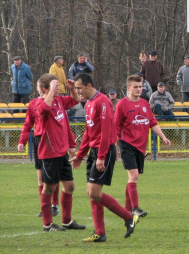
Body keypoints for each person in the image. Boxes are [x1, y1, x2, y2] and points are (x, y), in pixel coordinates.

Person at [70, 73, 139, 243]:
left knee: (94, 192)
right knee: (92, 193)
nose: (77, 91)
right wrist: (80, 155)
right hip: (94, 151)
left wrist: (101, 156)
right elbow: (88, 131)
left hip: (105, 151)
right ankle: (100, 233)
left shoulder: (103, 101)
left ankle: (128, 217)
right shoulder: (88, 104)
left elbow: (107, 131)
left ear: (89, 85)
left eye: (79, 88)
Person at [115, 75, 171, 219]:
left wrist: (163, 137)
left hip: (141, 146)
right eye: (135, 87)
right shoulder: (122, 104)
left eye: (140, 87)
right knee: (133, 176)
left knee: (133, 177)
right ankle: (135, 208)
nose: (138, 89)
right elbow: (116, 127)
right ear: (129, 88)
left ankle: (127, 209)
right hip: (126, 144)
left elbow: (152, 123)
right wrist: (114, 147)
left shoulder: (145, 104)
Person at [35, 74, 86, 232]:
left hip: (62, 152)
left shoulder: (59, 101)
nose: (59, 89)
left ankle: (66, 221)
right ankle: (47, 224)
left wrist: (72, 89)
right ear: (46, 89)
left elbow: (76, 100)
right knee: (49, 188)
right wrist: (51, 90)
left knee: (69, 186)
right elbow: (43, 109)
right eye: (56, 86)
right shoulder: (40, 104)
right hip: (50, 153)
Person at [17, 81, 61, 218]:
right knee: (40, 175)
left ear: (44, 88)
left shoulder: (56, 101)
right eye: (36, 86)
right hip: (39, 140)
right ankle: (45, 206)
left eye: (38, 86)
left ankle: (54, 204)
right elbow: (27, 124)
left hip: (52, 140)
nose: (37, 88)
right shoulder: (33, 104)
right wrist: (22, 141)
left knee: (52, 175)